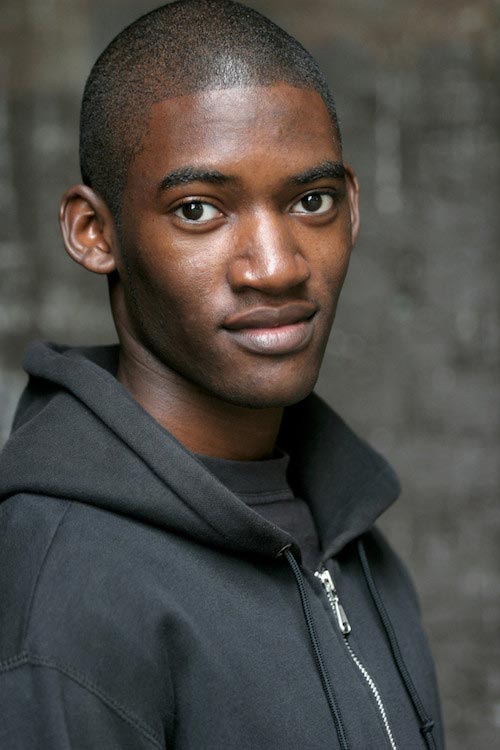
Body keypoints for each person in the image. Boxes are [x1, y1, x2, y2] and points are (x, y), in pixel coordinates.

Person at [0, 1, 444, 747]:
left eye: (312, 201)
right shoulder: (63, 593)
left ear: (354, 208)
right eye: (200, 210)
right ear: (93, 233)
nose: (275, 267)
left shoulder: (352, 539)